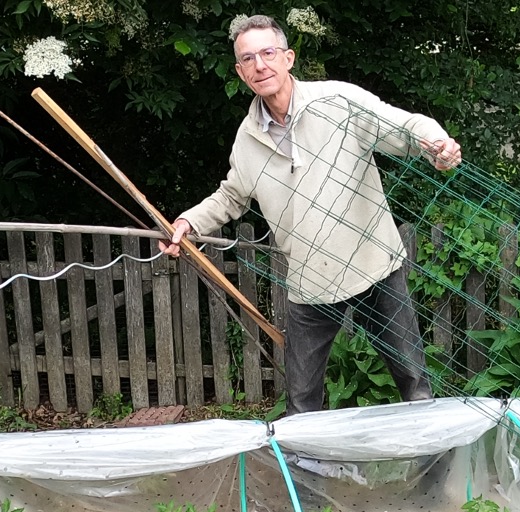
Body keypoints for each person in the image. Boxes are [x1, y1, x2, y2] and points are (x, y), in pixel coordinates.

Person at [160, 14, 463, 416]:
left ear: (288, 57)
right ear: (239, 71)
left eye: (267, 53)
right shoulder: (246, 137)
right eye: (248, 59)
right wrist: (187, 223)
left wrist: (438, 145)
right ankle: (306, 477)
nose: (260, 65)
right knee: (301, 405)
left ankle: (435, 473)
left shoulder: (338, 101)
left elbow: (404, 125)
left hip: (375, 269)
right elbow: (232, 195)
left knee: (415, 387)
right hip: (310, 283)